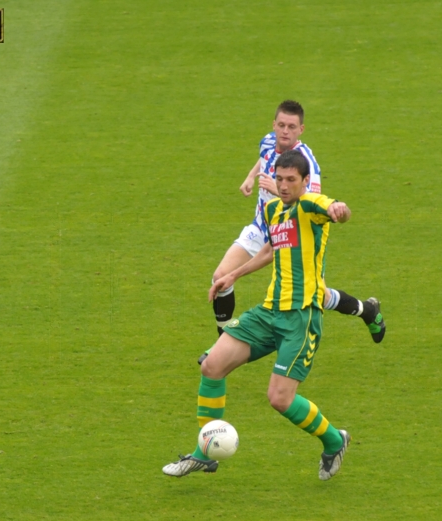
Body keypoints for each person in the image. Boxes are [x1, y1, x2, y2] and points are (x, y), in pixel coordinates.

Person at [164, 150, 352, 480]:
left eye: (291, 180)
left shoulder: (310, 206)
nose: (283, 186)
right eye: (279, 179)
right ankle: (204, 454)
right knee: (212, 365)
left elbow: (335, 209)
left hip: (300, 318)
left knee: (279, 399)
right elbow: (269, 249)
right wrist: (233, 275)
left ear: (305, 181)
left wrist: (340, 210)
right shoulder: (272, 210)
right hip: (269, 312)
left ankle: (335, 441)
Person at [209, 100, 385, 350]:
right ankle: (222, 343)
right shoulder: (268, 140)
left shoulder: (308, 164)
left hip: (294, 237)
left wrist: (276, 189)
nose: (285, 131)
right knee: (220, 277)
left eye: (291, 127)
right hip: (262, 227)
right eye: (281, 125)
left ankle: (367, 310)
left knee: (318, 297)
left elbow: (310, 205)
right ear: (274, 125)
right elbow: (263, 157)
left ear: (301, 129)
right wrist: (251, 177)